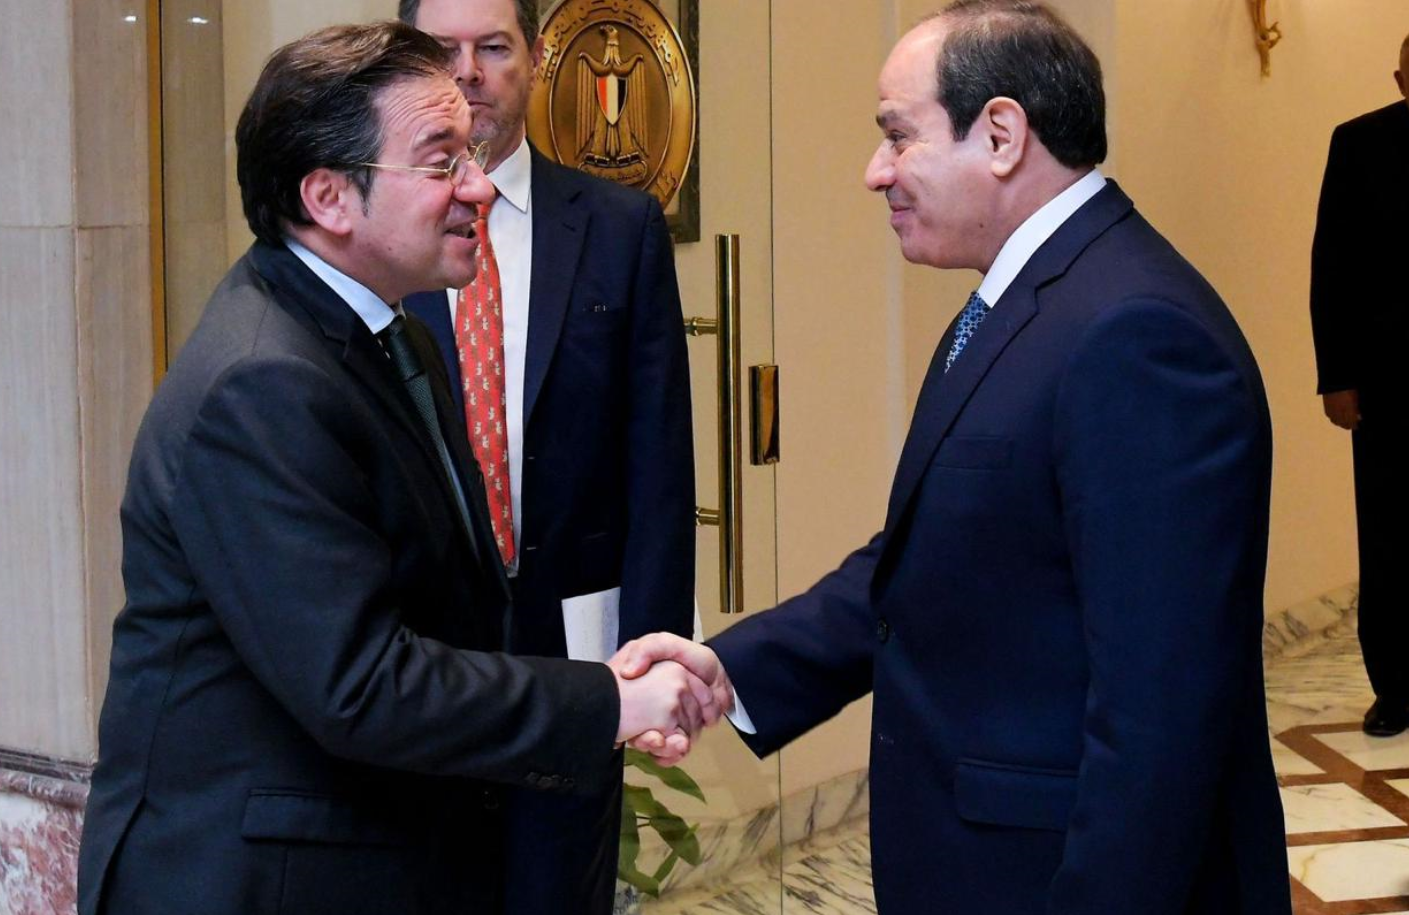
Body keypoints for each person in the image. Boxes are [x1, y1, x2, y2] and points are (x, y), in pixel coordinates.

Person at [617, 2, 1292, 912]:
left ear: (1001, 134)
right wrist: (731, 669)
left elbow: (1159, 716)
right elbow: (928, 561)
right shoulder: (1023, 303)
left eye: (898, 136)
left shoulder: (1135, 335)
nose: (875, 171)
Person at [75, 22, 712, 915]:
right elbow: (362, 684)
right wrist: (607, 700)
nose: (479, 187)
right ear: (330, 197)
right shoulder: (260, 383)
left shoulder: (387, 332)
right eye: (443, 162)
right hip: (265, 882)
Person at [395, 1, 696, 912]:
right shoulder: (377, 238)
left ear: (535, 59)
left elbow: (658, 464)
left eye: (492, 47)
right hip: (419, 658)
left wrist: (653, 656)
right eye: (441, 51)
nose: (468, 72)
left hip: (575, 653)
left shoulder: (617, 226)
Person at [1309, 33, 1409, 737]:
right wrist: (1336, 377)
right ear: (1400, 78)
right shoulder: (1358, 144)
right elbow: (1333, 266)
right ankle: (1396, 688)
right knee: (1389, 536)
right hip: (1388, 383)